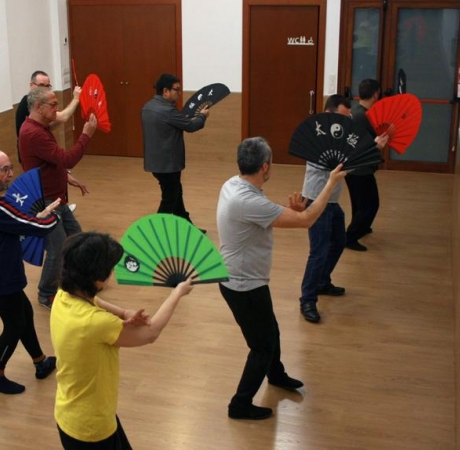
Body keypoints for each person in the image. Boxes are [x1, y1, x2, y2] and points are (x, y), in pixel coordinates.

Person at [217, 137, 346, 420]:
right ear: (265, 166)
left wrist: (293, 213)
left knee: (271, 331)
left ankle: (276, 375)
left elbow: (266, 214)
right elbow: (307, 221)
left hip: (247, 280)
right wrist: (330, 183)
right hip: (242, 285)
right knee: (261, 347)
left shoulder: (233, 185)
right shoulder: (246, 199)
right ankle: (239, 404)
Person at [51, 232, 193, 448]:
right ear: (98, 279)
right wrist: (177, 292)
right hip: (92, 428)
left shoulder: (63, 295)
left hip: (72, 414)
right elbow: (150, 333)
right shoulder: (96, 323)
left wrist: (125, 312)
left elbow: (95, 300)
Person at [0, 149, 62, 394]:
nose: (10, 174)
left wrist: (35, 219)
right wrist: (53, 218)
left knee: (24, 314)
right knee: (14, 325)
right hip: (1, 275)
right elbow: (31, 226)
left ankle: (40, 362)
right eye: (4, 169)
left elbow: (14, 224)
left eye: (10, 168)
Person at [299, 95, 388, 323]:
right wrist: (372, 148)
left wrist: (373, 148)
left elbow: (348, 159)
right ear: (329, 114)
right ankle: (307, 299)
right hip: (316, 201)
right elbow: (339, 164)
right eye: (343, 117)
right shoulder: (317, 136)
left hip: (332, 201)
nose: (347, 122)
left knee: (339, 241)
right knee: (318, 252)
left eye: (349, 117)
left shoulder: (338, 135)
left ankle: (322, 282)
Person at [19, 87, 98, 310]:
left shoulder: (39, 127)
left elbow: (50, 164)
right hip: (45, 202)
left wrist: (66, 177)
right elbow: (67, 159)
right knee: (59, 248)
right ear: (38, 107)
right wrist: (86, 135)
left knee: (77, 239)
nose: (57, 108)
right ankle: (46, 294)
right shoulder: (34, 134)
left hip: (56, 198)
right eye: (53, 105)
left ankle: (75, 283)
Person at [141, 73, 210, 230]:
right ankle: (156, 232)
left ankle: (187, 226)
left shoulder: (147, 107)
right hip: (168, 164)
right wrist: (203, 116)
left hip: (154, 162)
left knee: (176, 192)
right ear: (166, 91)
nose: (179, 93)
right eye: (177, 90)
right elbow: (191, 126)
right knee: (170, 198)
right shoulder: (167, 111)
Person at [14, 70, 85, 211]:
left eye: (48, 86)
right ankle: (52, 210)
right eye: (41, 85)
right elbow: (63, 117)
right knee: (44, 186)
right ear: (31, 86)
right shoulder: (28, 105)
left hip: (39, 150)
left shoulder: (39, 125)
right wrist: (76, 99)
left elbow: (51, 123)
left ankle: (61, 206)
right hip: (33, 154)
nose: (45, 89)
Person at [345, 79, 386, 251]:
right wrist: (377, 145)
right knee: (371, 204)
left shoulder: (354, 111)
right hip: (360, 168)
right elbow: (366, 144)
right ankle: (350, 236)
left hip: (351, 165)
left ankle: (361, 227)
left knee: (359, 201)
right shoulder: (364, 116)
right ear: (376, 93)